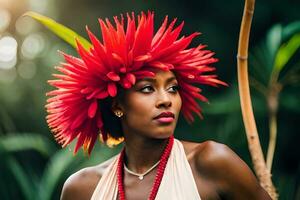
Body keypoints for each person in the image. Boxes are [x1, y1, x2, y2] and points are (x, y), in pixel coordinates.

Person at [46, 11, 272, 200]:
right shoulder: (83, 188)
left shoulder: (212, 162)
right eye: (147, 88)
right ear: (117, 105)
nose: (166, 99)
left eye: (173, 88)